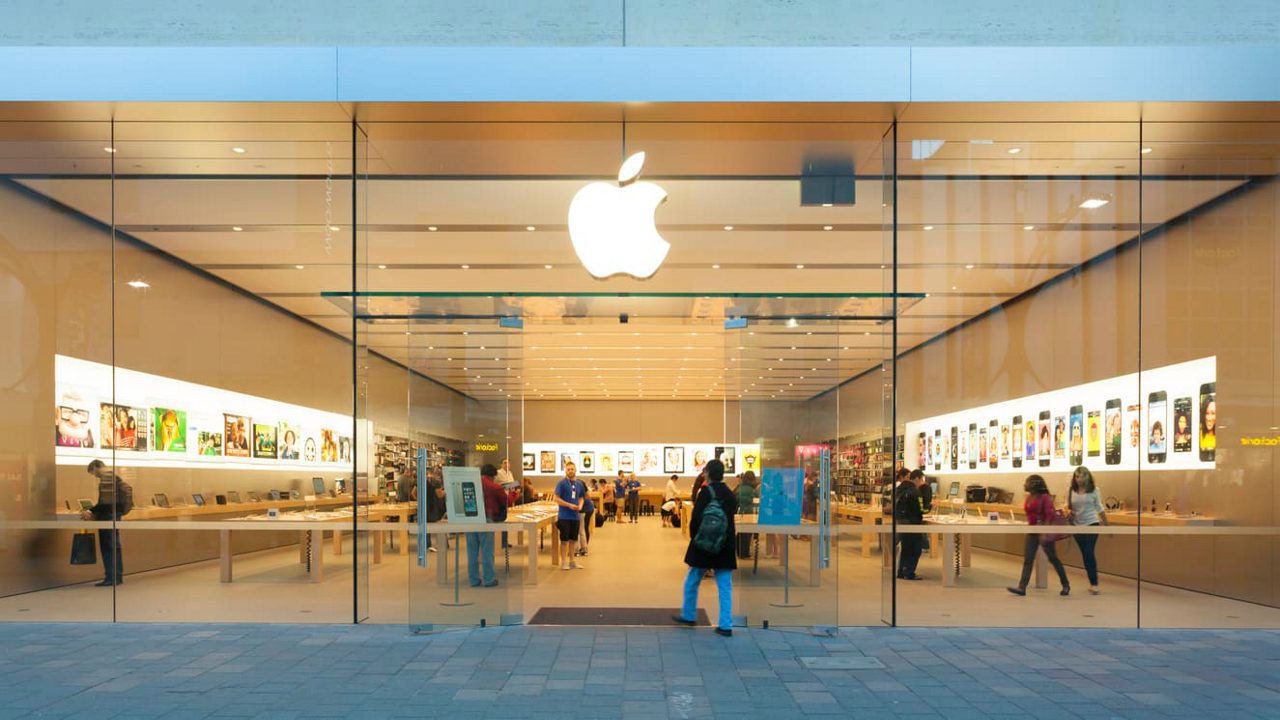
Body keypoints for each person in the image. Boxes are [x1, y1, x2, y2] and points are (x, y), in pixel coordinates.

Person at [672, 459, 737, 636]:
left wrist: (696, 540)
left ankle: (689, 614)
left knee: (692, 580)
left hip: (704, 546)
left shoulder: (706, 492)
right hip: (724, 545)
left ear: (707, 473)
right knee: (725, 586)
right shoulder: (730, 494)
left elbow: (696, 519)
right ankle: (725, 625)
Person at [1008, 474, 1071, 597]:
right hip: (1032, 531)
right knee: (1028, 559)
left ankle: (1065, 584)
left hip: (1043, 532)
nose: (1024, 485)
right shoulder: (1029, 497)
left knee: (1053, 558)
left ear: (1034, 484)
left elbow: (1049, 515)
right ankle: (1022, 587)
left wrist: (1044, 532)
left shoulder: (1045, 498)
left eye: (1027, 482)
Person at [82, 460, 132, 586]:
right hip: (116, 514)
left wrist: (90, 510)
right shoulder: (115, 477)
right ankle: (117, 576)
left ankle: (111, 577)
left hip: (108, 517)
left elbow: (105, 503)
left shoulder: (107, 479)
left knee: (108, 547)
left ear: (96, 467)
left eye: (93, 472)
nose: (95, 475)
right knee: (115, 546)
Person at [465, 464, 508, 588]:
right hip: (486, 520)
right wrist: (515, 494)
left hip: (470, 519)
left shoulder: (471, 483)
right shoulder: (494, 487)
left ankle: (473, 580)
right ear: (493, 475)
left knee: (472, 551)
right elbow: (507, 501)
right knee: (487, 551)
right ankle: (488, 579)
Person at [1067, 466, 1107, 594]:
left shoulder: (1095, 490)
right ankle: (1092, 582)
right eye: (1077, 476)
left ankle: (1094, 584)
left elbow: (1100, 508)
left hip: (1091, 524)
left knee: (1089, 552)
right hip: (1077, 526)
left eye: (1082, 476)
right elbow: (1070, 508)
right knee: (1085, 554)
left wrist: (1107, 525)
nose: (1079, 479)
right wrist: (1069, 516)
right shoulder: (1071, 490)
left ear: (1088, 476)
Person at [893, 467, 924, 581]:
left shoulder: (898, 489)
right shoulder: (915, 491)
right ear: (916, 479)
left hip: (900, 521)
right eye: (921, 479)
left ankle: (901, 571)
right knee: (915, 548)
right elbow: (921, 509)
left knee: (905, 547)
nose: (921, 482)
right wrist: (929, 507)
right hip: (912, 522)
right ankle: (909, 572)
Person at [554, 462, 584, 570]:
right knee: (564, 540)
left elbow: (581, 497)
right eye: (568, 469)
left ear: (575, 470)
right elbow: (556, 498)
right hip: (564, 516)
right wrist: (569, 505)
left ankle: (572, 561)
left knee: (573, 540)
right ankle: (564, 562)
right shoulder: (561, 483)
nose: (570, 471)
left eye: (572, 469)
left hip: (575, 517)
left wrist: (580, 506)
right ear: (566, 471)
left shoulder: (579, 484)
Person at [735, 471, 758, 559]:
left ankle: (739, 552)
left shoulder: (739, 488)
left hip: (740, 512)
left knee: (740, 533)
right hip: (750, 512)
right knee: (747, 534)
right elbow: (757, 500)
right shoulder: (752, 490)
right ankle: (744, 554)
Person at [423, 467, 446, 553]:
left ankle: (427, 545)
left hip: (425, 505)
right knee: (439, 524)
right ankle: (443, 544)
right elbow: (439, 495)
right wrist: (445, 492)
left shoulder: (423, 481)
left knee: (425, 525)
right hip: (433, 506)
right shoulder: (436, 482)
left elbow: (414, 492)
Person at [576, 475, 595, 556]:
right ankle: (583, 548)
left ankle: (583, 548)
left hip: (586, 508)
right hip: (587, 508)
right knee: (583, 528)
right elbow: (588, 495)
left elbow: (587, 496)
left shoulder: (578, 483)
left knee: (583, 528)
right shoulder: (580, 482)